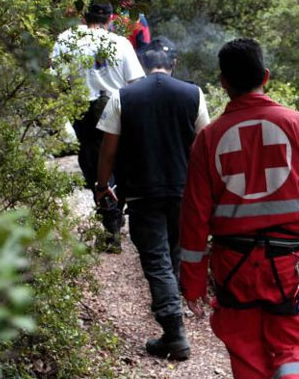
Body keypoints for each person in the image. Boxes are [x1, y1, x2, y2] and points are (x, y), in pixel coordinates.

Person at [179, 38, 299, 379]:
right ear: (265, 76)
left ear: (224, 82)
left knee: (247, 352)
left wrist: (192, 281)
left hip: (233, 267)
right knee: (295, 343)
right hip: (288, 265)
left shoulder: (208, 139)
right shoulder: (298, 125)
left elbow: (194, 217)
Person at [94, 37, 210, 361]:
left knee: (157, 260)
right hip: (184, 190)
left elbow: (108, 149)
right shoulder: (193, 94)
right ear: (174, 64)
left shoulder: (123, 95)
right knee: (172, 254)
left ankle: (174, 333)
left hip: (143, 191)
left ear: (144, 65)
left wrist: (103, 185)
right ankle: (172, 313)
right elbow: (204, 145)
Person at [51, 1, 145, 252]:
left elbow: (56, 80)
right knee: (118, 161)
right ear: (110, 19)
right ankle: (115, 215)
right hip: (116, 106)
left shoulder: (66, 39)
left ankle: (110, 223)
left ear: (84, 18)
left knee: (94, 164)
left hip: (82, 107)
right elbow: (136, 82)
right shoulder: (121, 43)